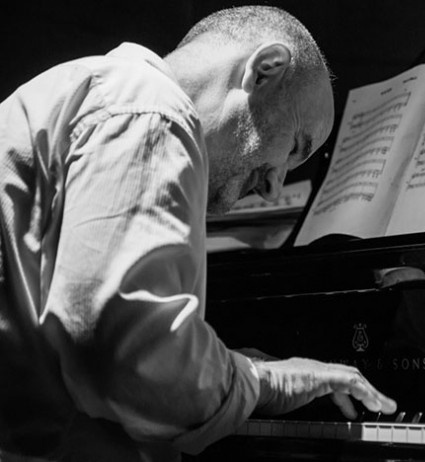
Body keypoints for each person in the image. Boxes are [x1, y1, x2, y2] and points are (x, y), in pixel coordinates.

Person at [0, 6, 396, 461]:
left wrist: (210, 366)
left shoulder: (94, 92)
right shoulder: (150, 110)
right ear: (265, 70)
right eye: (294, 147)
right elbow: (121, 355)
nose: (274, 187)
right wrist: (266, 381)